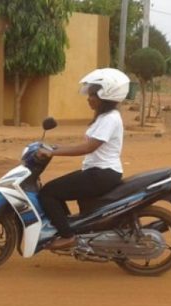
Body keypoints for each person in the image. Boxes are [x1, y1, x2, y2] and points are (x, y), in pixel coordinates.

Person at [38, 68, 130, 250]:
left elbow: (89, 147)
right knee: (58, 190)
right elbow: (89, 143)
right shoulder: (105, 117)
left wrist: (54, 152)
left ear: (106, 96)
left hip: (101, 174)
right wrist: (54, 147)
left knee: (48, 192)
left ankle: (67, 235)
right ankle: (68, 227)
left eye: (93, 94)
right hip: (99, 172)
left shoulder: (109, 119)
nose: (89, 98)